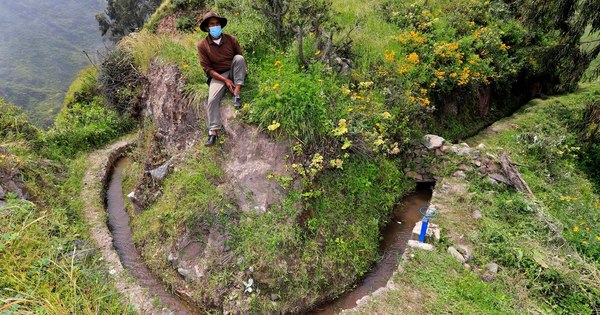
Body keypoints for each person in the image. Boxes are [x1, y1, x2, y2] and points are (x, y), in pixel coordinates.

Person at [197, 11, 247, 147]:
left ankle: (236, 93)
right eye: (212, 24)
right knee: (212, 99)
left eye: (217, 23)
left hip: (233, 69)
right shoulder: (202, 45)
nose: (215, 26)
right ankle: (213, 132)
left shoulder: (231, 39)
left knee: (239, 59)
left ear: (221, 25)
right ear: (207, 28)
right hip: (218, 75)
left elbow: (240, 58)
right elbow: (207, 69)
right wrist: (225, 80)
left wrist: (239, 74)